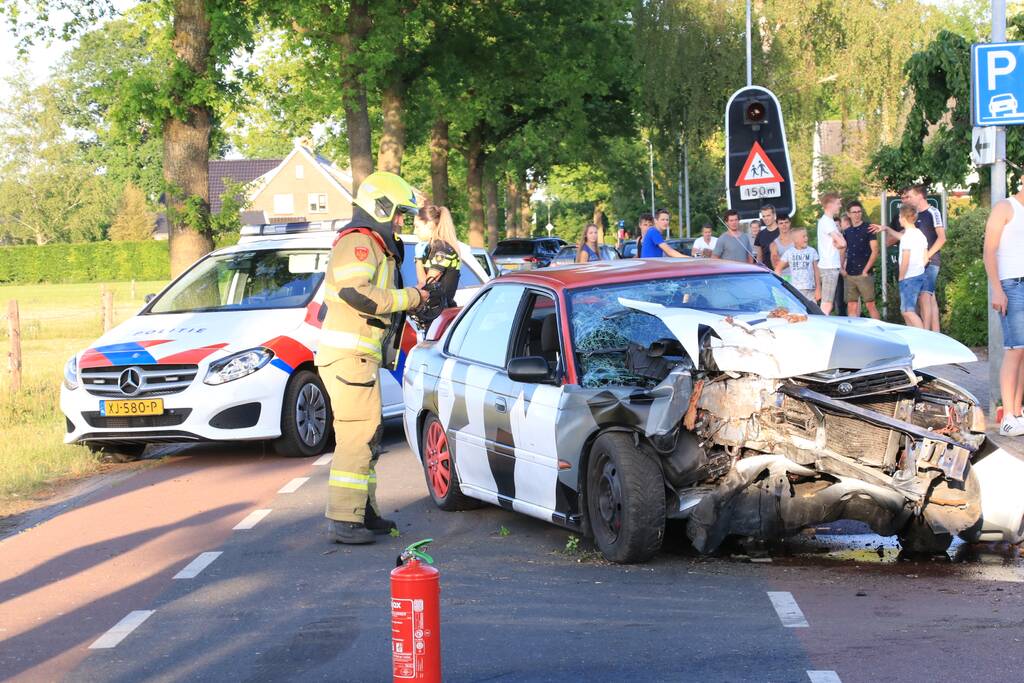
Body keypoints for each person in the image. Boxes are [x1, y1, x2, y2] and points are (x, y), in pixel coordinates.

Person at [318, 171, 429, 545]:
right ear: (381, 207)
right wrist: (410, 297)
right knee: (356, 435)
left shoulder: (375, 245)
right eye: (398, 214)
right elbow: (357, 293)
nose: (400, 222)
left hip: (358, 358)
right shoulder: (360, 244)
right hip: (349, 357)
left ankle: (362, 512)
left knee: (368, 435)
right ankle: (344, 519)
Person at [871, 185, 945, 331]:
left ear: (920, 196)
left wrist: (926, 257)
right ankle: (933, 333)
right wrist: (886, 228)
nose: (906, 199)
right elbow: (903, 236)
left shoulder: (933, 212)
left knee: (925, 298)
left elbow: (942, 239)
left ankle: (928, 335)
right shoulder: (914, 215)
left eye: (909, 196)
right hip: (919, 263)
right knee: (928, 300)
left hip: (930, 261)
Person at [983, 185, 1024, 436]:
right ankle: (1008, 415)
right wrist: (997, 290)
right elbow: (989, 251)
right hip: (1012, 284)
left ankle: (1018, 412)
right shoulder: (1005, 207)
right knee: (1015, 349)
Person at [419, 205, 462, 318]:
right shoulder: (433, 248)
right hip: (435, 312)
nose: (415, 231)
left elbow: (426, 284)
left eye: (417, 227)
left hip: (440, 313)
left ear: (429, 225)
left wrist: (418, 259)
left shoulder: (442, 249)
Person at [841, 200, 880, 319]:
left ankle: (880, 332)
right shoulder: (847, 232)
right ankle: (854, 332)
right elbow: (843, 251)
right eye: (854, 212)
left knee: (870, 305)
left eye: (859, 211)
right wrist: (841, 268)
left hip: (865, 274)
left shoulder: (869, 228)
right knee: (851, 305)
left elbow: (875, 250)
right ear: (849, 214)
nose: (857, 214)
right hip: (850, 273)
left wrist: (865, 270)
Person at [896, 203, 928, 329]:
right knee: (906, 311)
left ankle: (922, 337)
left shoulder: (907, 237)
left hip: (909, 277)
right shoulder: (920, 234)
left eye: (899, 216)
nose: (899, 219)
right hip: (919, 274)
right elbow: (925, 258)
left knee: (908, 311)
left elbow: (906, 259)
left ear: (903, 218)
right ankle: (913, 338)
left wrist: (901, 277)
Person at [816, 193, 847, 315]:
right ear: (830, 205)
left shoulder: (828, 221)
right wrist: (841, 242)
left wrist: (840, 242)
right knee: (827, 303)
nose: (840, 206)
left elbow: (841, 242)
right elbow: (842, 243)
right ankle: (821, 328)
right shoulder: (827, 222)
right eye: (838, 203)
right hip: (829, 266)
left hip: (830, 265)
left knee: (828, 301)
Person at [775, 228, 819, 302]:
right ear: (795, 240)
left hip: (810, 290)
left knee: (812, 311)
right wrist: (782, 285)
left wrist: (818, 289)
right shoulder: (789, 252)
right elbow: (778, 269)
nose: (806, 238)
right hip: (795, 290)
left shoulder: (812, 251)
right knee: (798, 312)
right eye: (803, 236)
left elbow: (816, 271)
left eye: (806, 236)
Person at [770, 213, 795, 281]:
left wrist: (784, 262)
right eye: (781, 223)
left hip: (799, 277)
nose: (784, 225)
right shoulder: (774, 244)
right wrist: (795, 259)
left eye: (786, 222)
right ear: (777, 225)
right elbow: (776, 265)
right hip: (783, 278)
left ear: (790, 223)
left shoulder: (797, 239)